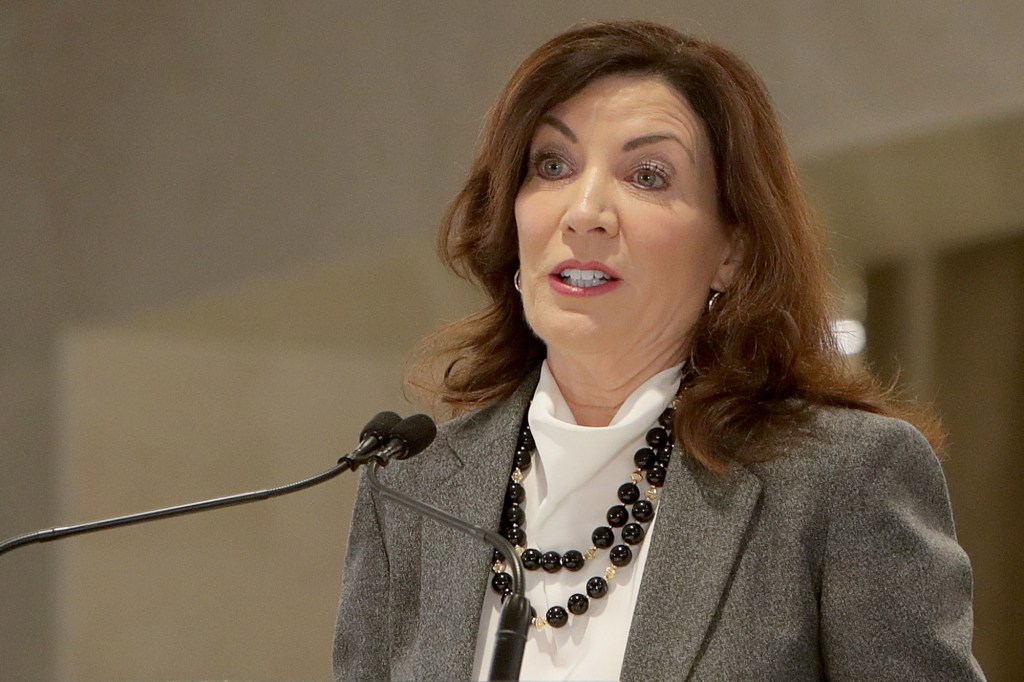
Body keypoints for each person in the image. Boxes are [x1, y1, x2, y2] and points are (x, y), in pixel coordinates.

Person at [333, 20, 985, 681]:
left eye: (647, 175)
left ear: (731, 249)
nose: (585, 211)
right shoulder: (414, 490)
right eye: (552, 165)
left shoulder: (839, 481)